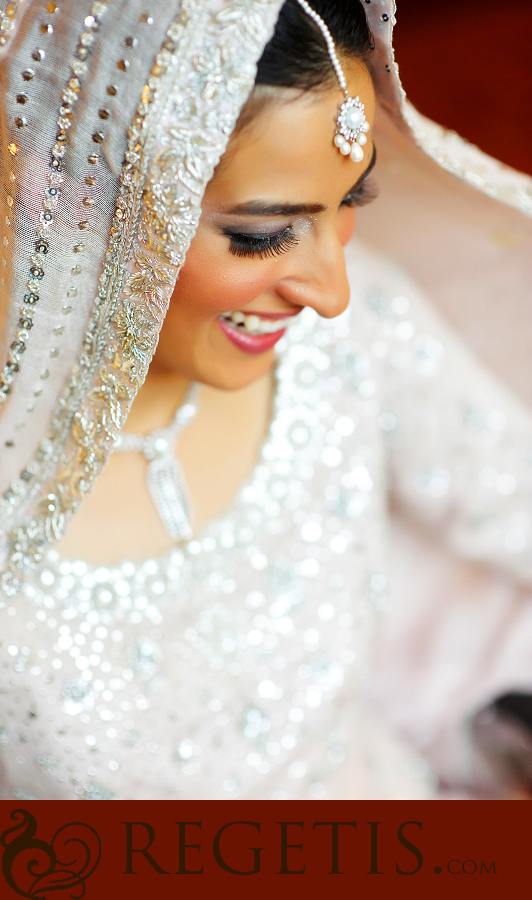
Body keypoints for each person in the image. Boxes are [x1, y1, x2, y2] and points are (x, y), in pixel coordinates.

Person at [0, 0, 531, 800]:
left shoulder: (348, 343)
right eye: (260, 234)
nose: (331, 290)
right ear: (66, 190)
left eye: (349, 203)